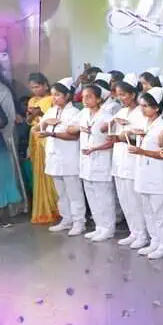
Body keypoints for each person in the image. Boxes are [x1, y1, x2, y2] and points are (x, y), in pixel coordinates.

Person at [130, 88, 163, 259]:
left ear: (156, 108)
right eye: (141, 105)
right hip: (143, 173)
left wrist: (141, 151)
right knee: (147, 210)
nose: (142, 109)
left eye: (146, 106)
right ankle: (155, 241)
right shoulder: (144, 124)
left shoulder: (162, 127)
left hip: (157, 173)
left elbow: (162, 153)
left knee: (161, 211)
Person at [38, 78, 84, 235]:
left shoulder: (75, 113)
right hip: (54, 157)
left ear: (67, 96)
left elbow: (74, 136)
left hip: (69, 157)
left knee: (74, 192)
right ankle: (66, 219)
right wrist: (45, 125)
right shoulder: (51, 111)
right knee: (61, 193)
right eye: (53, 95)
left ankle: (79, 222)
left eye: (58, 95)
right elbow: (40, 127)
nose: (54, 98)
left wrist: (52, 132)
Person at [76, 83, 117, 241]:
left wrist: (95, 148)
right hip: (86, 162)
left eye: (89, 97)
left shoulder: (107, 117)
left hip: (101, 161)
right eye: (83, 97)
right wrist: (80, 128)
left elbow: (111, 141)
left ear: (99, 99)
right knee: (92, 196)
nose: (85, 100)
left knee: (104, 197)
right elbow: (70, 127)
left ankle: (108, 228)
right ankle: (99, 226)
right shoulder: (83, 114)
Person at [111, 79, 147, 248]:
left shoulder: (141, 112)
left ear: (133, 94)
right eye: (118, 95)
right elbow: (111, 130)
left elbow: (141, 136)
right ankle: (134, 232)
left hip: (133, 159)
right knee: (125, 199)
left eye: (123, 94)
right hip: (119, 159)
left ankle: (143, 234)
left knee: (135, 200)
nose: (121, 98)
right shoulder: (122, 112)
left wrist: (125, 135)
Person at [27, 72, 59, 225]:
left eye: (37, 86)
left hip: (48, 138)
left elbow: (55, 118)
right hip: (36, 140)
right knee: (40, 173)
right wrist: (31, 115)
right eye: (32, 87)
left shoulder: (52, 99)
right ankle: (44, 208)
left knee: (51, 174)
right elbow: (28, 120)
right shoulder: (32, 100)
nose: (35, 90)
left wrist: (41, 113)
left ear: (46, 84)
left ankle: (56, 208)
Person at [0, 76, 26, 217]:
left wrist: (7, 140)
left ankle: (10, 210)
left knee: (6, 176)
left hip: (4, 140)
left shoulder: (2, 91)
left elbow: (6, 121)